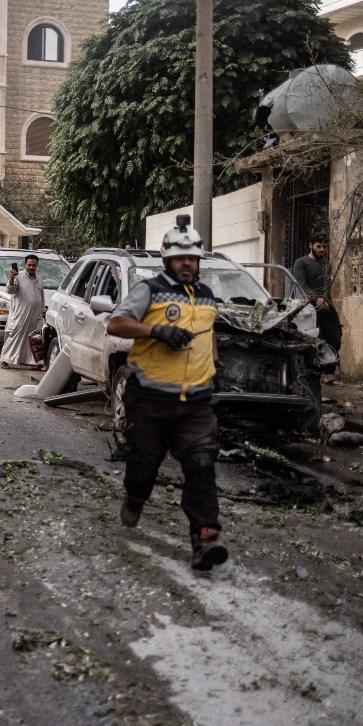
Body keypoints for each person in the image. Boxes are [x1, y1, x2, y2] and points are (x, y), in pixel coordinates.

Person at [106, 216, 227, 572]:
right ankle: (135, 496)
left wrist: (215, 369)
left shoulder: (206, 295)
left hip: (196, 403)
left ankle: (205, 539)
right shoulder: (150, 290)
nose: (188, 263)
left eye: (193, 257)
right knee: (144, 468)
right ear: (167, 260)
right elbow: (116, 322)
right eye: (180, 258)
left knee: (202, 467)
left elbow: (208, 335)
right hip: (150, 400)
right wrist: (156, 331)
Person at [292, 235, 343, 384]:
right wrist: (316, 298)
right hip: (308, 308)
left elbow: (326, 287)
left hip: (326, 306)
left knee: (335, 338)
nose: (322, 250)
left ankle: (329, 375)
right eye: (318, 246)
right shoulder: (301, 262)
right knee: (312, 340)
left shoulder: (327, 265)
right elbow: (301, 284)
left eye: (324, 247)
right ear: (310, 245)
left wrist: (326, 301)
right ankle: (309, 375)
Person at [0, 254, 46, 368]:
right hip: (21, 314)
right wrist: (11, 279)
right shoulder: (18, 277)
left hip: (36, 315)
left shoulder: (39, 279)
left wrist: (43, 312)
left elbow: (42, 297)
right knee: (15, 337)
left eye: (33, 265)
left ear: (37, 266)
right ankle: (4, 360)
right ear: (25, 265)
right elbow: (10, 290)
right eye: (29, 265)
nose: (31, 267)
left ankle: (35, 363)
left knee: (35, 338)